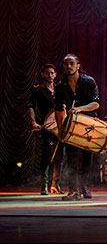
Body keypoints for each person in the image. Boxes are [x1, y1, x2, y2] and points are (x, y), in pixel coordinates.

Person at [54, 54, 100, 201]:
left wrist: (80, 109)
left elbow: (96, 104)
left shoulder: (88, 81)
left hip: (88, 124)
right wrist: (61, 130)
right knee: (71, 157)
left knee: (87, 158)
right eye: (66, 64)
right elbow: (58, 109)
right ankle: (73, 190)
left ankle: (83, 187)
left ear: (78, 65)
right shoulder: (61, 85)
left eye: (71, 64)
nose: (69, 67)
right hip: (72, 124)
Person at [28, 63, 63, 195]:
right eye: (47, 73)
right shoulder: (37, 90)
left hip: (60, 128)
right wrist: (33, 122)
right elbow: (30, 106)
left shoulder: (59, 89)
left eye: (52, 73)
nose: (49, 75)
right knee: (47, 157)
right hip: (47, 128)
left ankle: (56, 184)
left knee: (60, 157)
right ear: (42, 75)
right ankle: (44, 186)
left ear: (55, 74)